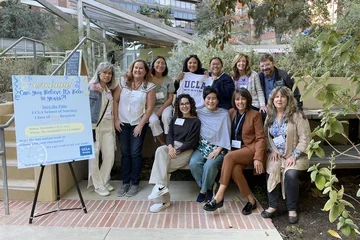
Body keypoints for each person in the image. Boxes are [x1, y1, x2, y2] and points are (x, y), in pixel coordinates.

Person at [203, 88, 266, 215]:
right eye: (237, 99)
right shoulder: (231, 112)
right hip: (237, 150)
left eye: (243, 98)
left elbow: (260, 138)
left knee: (228, 157)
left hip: (250, 149)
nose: (240, 102)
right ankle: (251, 201)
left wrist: (258, 158)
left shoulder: (255, 115)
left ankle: (218, 196)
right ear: (234, 101)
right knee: (235, 170)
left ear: (248, 100)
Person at [260, 86, 311, 224]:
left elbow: (305, 139)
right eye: (276, 96)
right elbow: (265, 136)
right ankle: (272, 206)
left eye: (282, 96)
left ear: (288, 99)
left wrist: (293, 155)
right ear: (272, 100)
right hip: (277, 154)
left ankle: (292, 209)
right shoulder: (270, 116)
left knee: (290, 174)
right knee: (272, 169)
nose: (279, 99)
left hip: (296, 155)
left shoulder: (297, 116)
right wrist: (272, 149)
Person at [147, 94, 201, 212]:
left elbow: (192, 142)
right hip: (172, 147)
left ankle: (163, 201)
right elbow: (170, 135)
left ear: (191, 104)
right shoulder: (175, 118)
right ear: (178, 106)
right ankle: (161, 188)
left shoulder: (195, 122)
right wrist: (170, 147)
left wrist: (177, 150)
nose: (184, 106)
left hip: (185, 150)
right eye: (181, 104)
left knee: (163, 167)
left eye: (187, 103)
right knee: (160, 150)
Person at [113, 59, 156, 197]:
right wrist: (116, 120)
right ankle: (125, 182)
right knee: (125, 154)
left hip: (138, 124)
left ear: (145, 71)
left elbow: (149, 108)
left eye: (141, 68)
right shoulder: (123, 82)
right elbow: (115, 101)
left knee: (135, 153)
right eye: (135, 68)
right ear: (132, 69)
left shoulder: (149, 86)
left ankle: (135, 184)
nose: (138, 70)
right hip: (123, 123)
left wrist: (141, 125)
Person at [189, 86, 231, 203]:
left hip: (219, 148)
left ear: (218, 100)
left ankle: (203, 191)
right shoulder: (198, 113)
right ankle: (208, 187)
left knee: (209, 165)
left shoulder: (224, 114)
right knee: (193, 163)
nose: (211, 101)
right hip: (202, 147)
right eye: (208, 98)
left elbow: (226, 134)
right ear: (204, 99)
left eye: (214, 98)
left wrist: (217, 150)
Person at [88, 62, 118, 196]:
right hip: (95, 125)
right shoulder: (92, 87)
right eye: (104, 72)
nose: (107, 75)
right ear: (99, 73)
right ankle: (98, 185)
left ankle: (104, 180)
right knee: (94, 156)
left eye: (109, 73)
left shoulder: (108, 89)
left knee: (110, 155)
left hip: (108, 126)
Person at [149, 56, 175, 145]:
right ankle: (163, 144)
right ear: (153, 65)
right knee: (153, 121)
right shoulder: (148, 79)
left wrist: (161, 109)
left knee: (166, 117)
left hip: (166, 105)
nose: (160, 65)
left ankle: (169, 142)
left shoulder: (168, 79)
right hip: (152, 106)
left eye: (163, 63)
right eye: (158, 63)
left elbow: (170, 98)